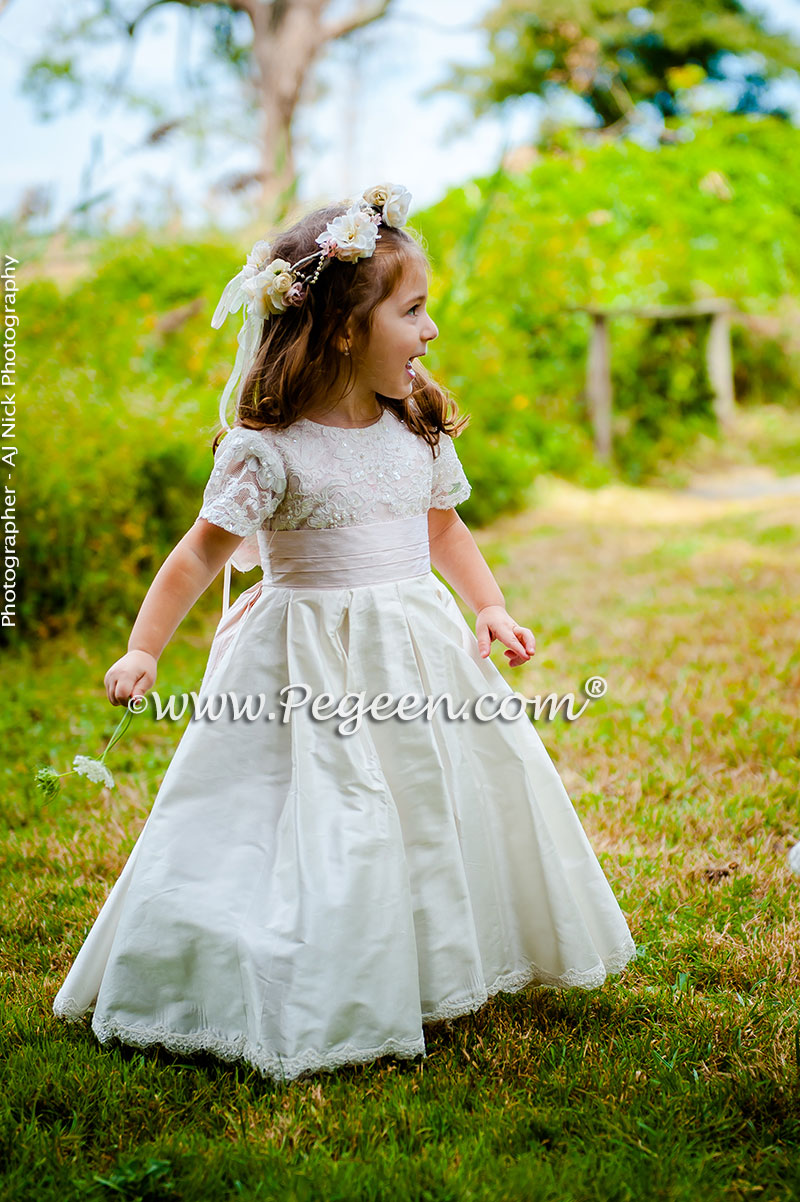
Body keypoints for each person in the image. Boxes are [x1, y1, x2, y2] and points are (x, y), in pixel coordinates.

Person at [53, 182, 637, 1082]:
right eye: (412, 311)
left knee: (430, 800)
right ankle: (301, 965)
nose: (431, 330)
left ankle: (432, 954)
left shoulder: (416, 426)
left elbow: (443, 528)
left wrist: (488, 606)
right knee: (318, 812)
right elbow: (196, 559)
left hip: (417, 647)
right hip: (303, 661)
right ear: (341, 330)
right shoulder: (270, 450)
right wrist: (143, 647)